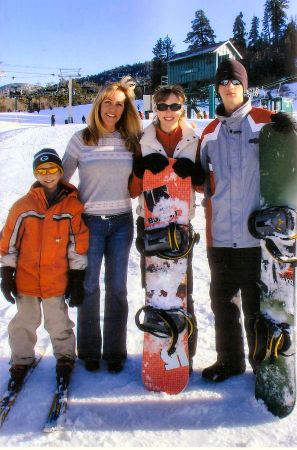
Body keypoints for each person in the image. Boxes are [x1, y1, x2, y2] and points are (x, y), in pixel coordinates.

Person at [199, 59, 294, 382]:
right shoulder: (210, 133)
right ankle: (230, 361)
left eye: (235, 82)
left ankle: (260, 363)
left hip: (255, 235)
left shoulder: (265, 121)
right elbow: (202, 179)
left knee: (255, 305)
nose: (229, 87)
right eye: (223, 82)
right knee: (223, 303)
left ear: (245, 86)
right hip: (220, 234)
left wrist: (289, 126)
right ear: (217, 88)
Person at [62, 80, 142, 373]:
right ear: (98, 104)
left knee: (118, 288)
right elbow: (61, 182)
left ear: (126, 108)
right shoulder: (80, 139)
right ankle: (90, 351)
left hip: (122, 221)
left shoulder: (132, 140)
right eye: (108, 102)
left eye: (119, 103)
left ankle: (115, 353)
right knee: (89, 286)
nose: (113, 109)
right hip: (89, 223)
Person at [129, 84, 205, 373]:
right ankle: (158, 347)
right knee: (155, 288)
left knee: (182, 290)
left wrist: (196, 174)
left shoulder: (194, 140)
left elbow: (202, 186)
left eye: (175, 106)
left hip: (180, 224)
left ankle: (186, 352)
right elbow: (133, 188)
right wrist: (141, 169)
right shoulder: (143, 140)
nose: (169, 112)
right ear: (155, 109)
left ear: (183, 107)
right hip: (150, 222)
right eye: (163, 106)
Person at [0, 148, 89, 390]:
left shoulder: (72, 207)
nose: (47, 175)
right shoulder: (23, 206)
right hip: (26, 279)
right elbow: (8, 241)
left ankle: (64, 358)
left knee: (58, 322)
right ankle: (20, 360)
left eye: (52, 170)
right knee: (23, 322)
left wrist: (77, 275)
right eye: (42, 171)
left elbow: (77, 243)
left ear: (60, 172)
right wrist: (7, 273)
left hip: (55, 279)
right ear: (35, 174)